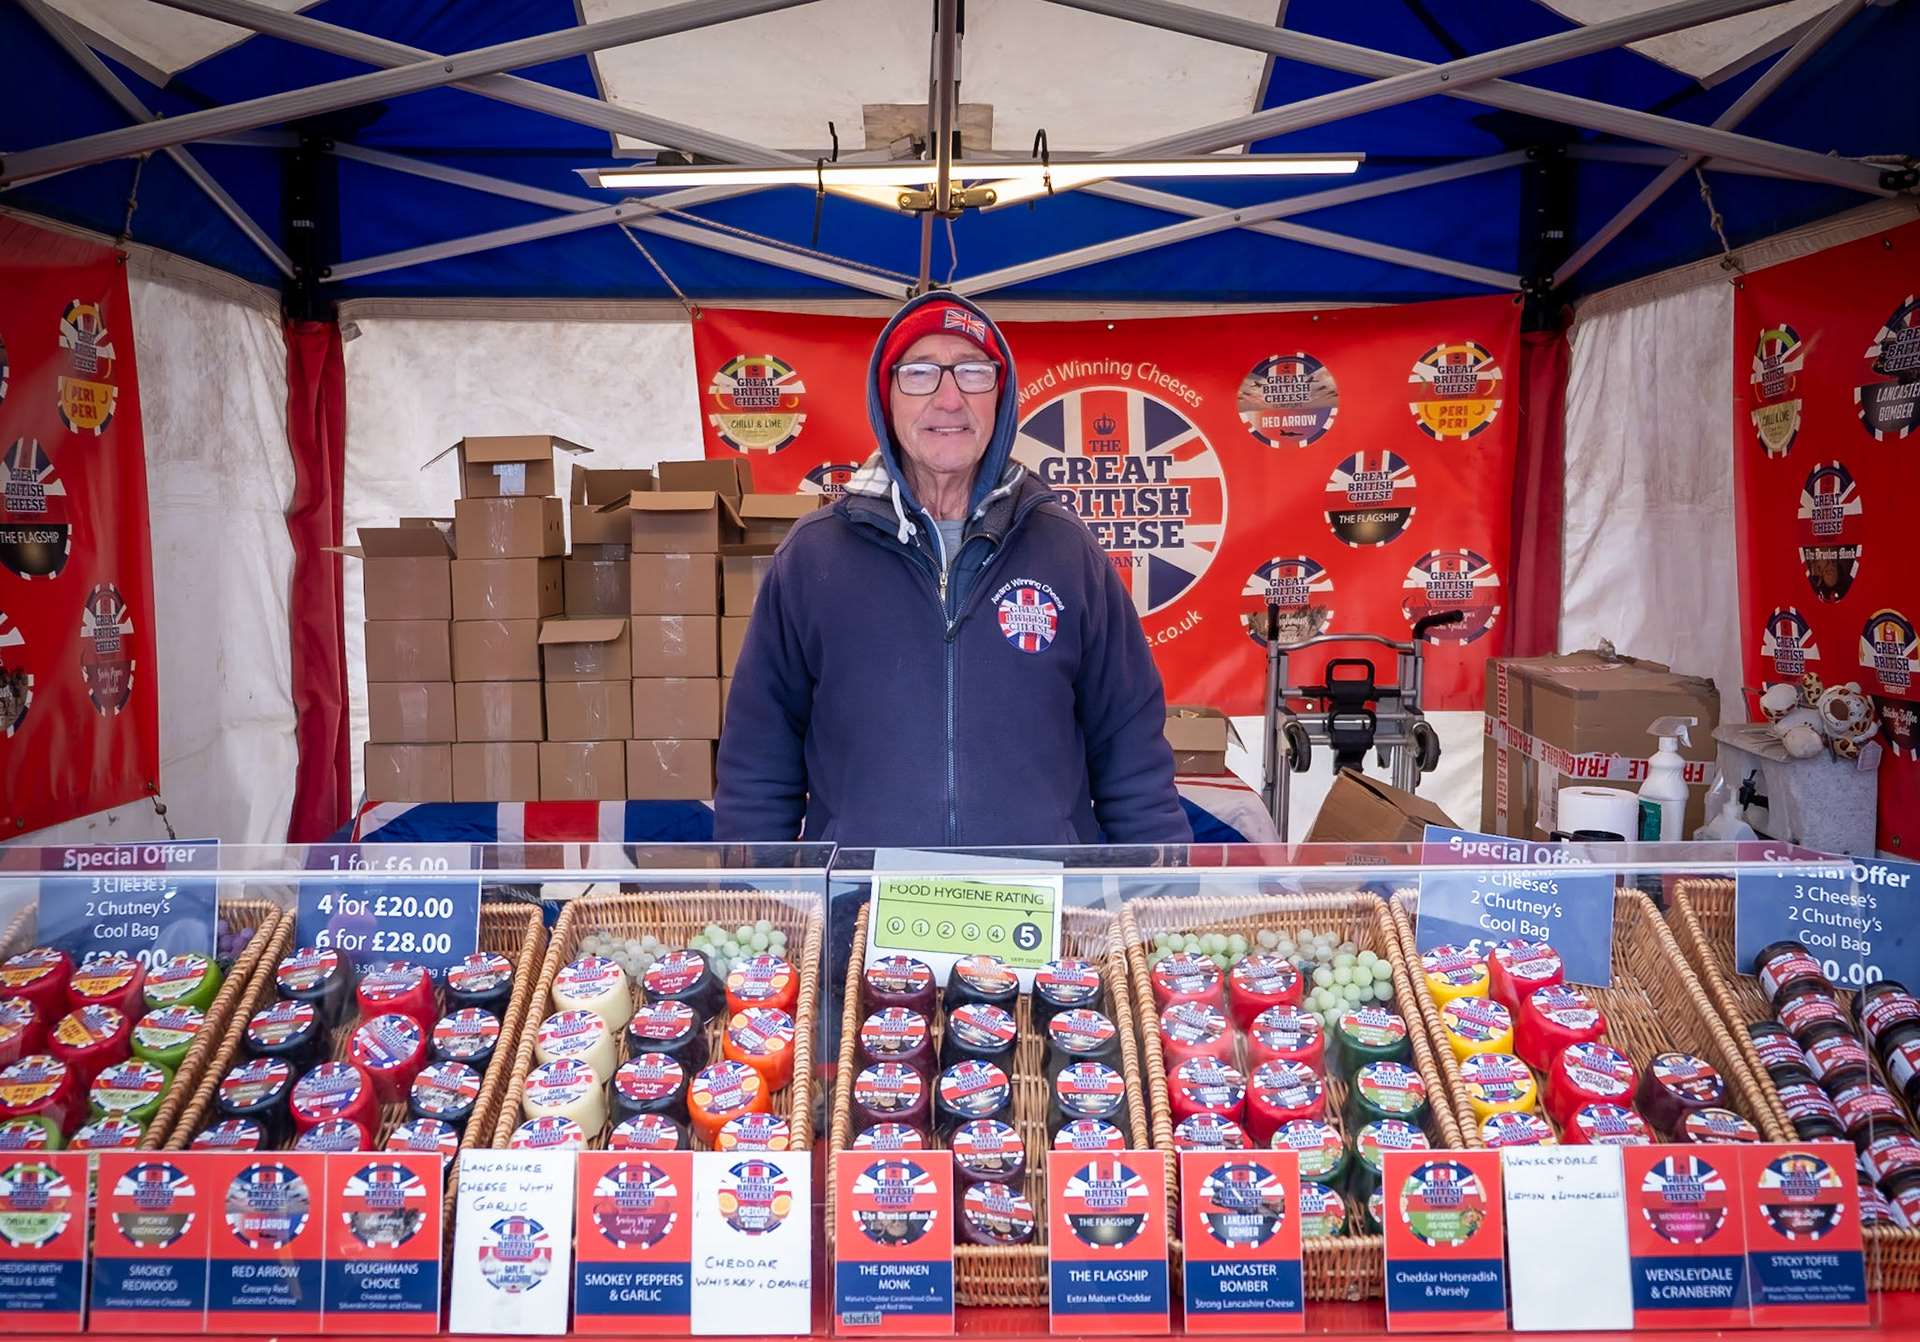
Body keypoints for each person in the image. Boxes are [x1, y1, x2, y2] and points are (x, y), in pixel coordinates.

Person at [713, 291, 1191, 848]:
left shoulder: (1068, 552)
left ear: (1002, 396)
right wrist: (759, 901)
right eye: (919, 374)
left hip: (1037, 916)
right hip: (863, 913)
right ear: (885, 398)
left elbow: (1132, 754)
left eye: (972, 372)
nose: (948, 399)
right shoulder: (814, 557)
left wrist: (1159, 896)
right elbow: (757, 763)